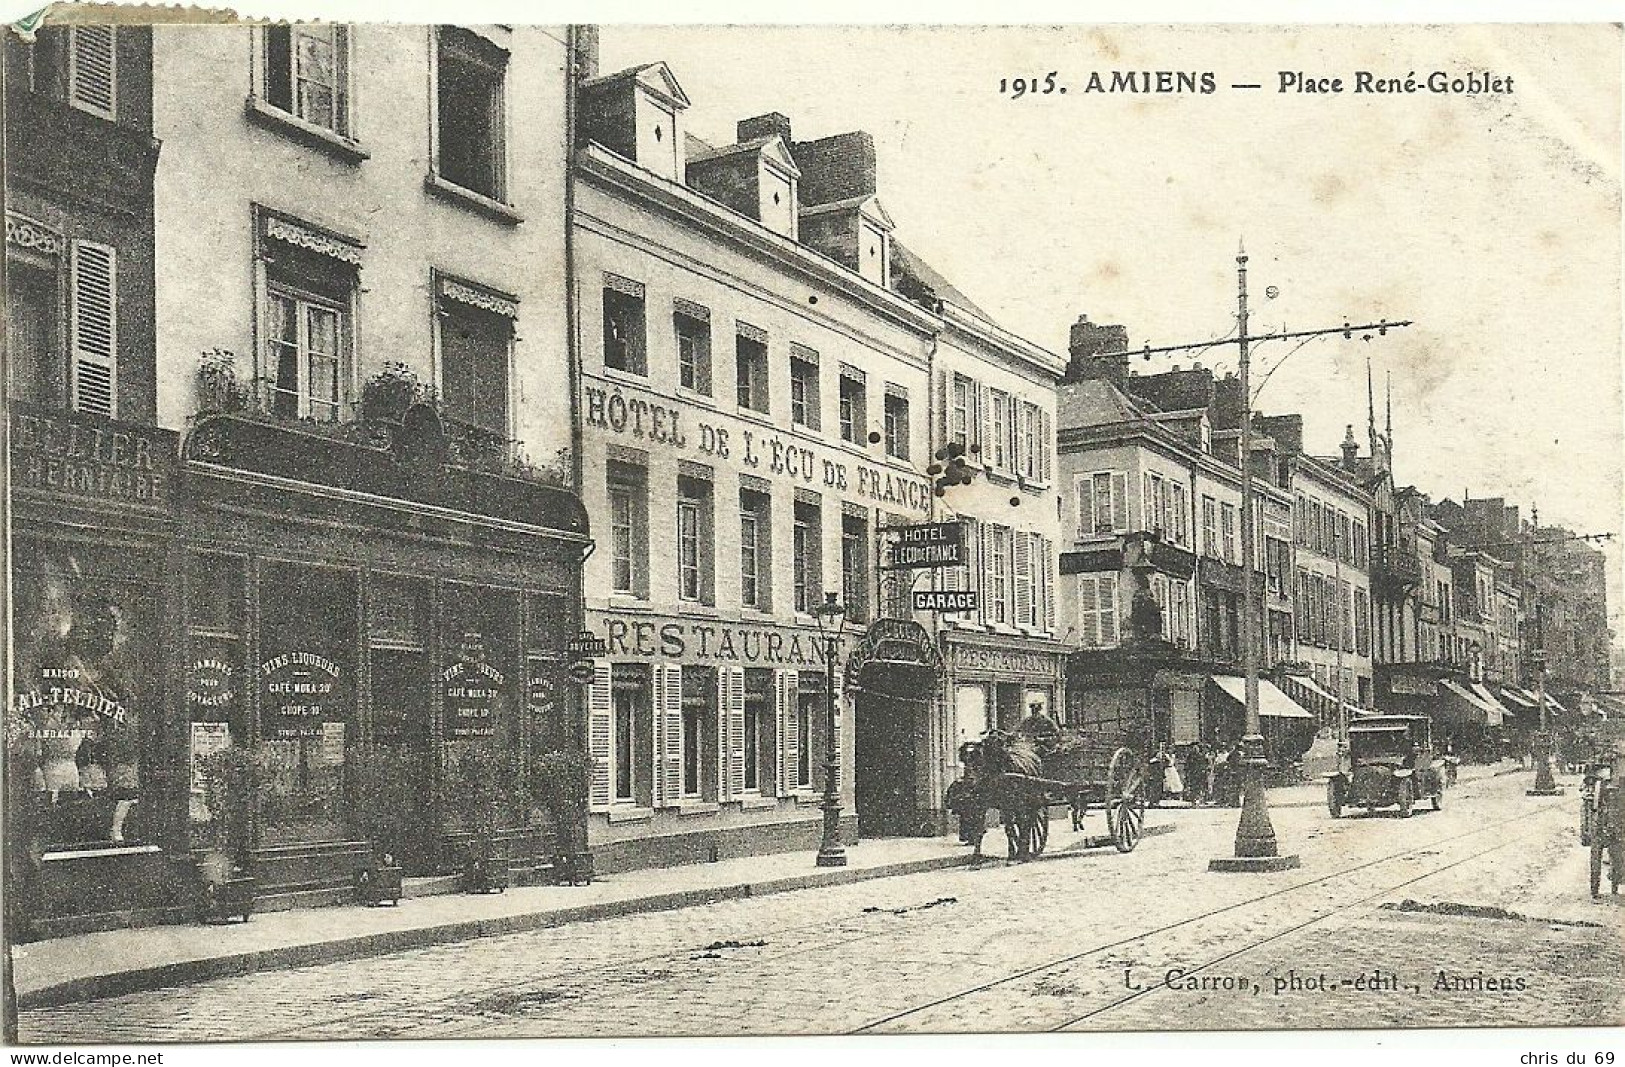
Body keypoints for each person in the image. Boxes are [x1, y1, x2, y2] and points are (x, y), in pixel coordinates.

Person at [1184, 741, 1212, 806]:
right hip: (1193, 773)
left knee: (1201, 786)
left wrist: (1205, 770)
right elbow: (1187, 765)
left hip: (1200, 773)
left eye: (1196, 748)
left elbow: (1205, 764)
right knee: (1193, 787)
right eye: (1193, 748)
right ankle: (1194, 799)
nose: (1195, 749)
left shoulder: (1201, 756)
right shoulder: (1190, 756)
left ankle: (1201, 799)